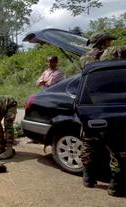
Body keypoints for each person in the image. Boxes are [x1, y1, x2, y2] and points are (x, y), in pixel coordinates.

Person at [80, 32, 125, 197]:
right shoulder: (114, 51)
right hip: (111, 107)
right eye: (108, 40)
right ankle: (115, 185)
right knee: (117, 148)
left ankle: (88, 179)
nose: (110, 43)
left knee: (88, 144)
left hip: (90, 107)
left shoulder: (84, 59)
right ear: (104, 42)